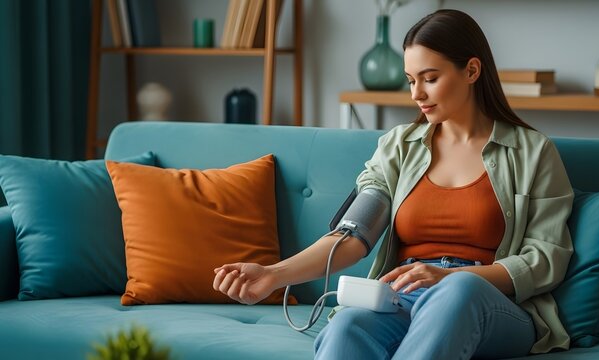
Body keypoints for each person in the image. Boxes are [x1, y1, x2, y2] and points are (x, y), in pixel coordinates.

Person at [212, 9, 574, 359]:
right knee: (348, 325)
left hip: (492, 303)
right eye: (411, 80)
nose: (417, 94)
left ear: (472, 70)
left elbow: (544, 260)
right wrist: (272, 275)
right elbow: (352, 235)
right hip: (404, 294)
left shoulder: (533, 152)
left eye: (430, 78)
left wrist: (449, 276)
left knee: (458, 288)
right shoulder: (399, 147)